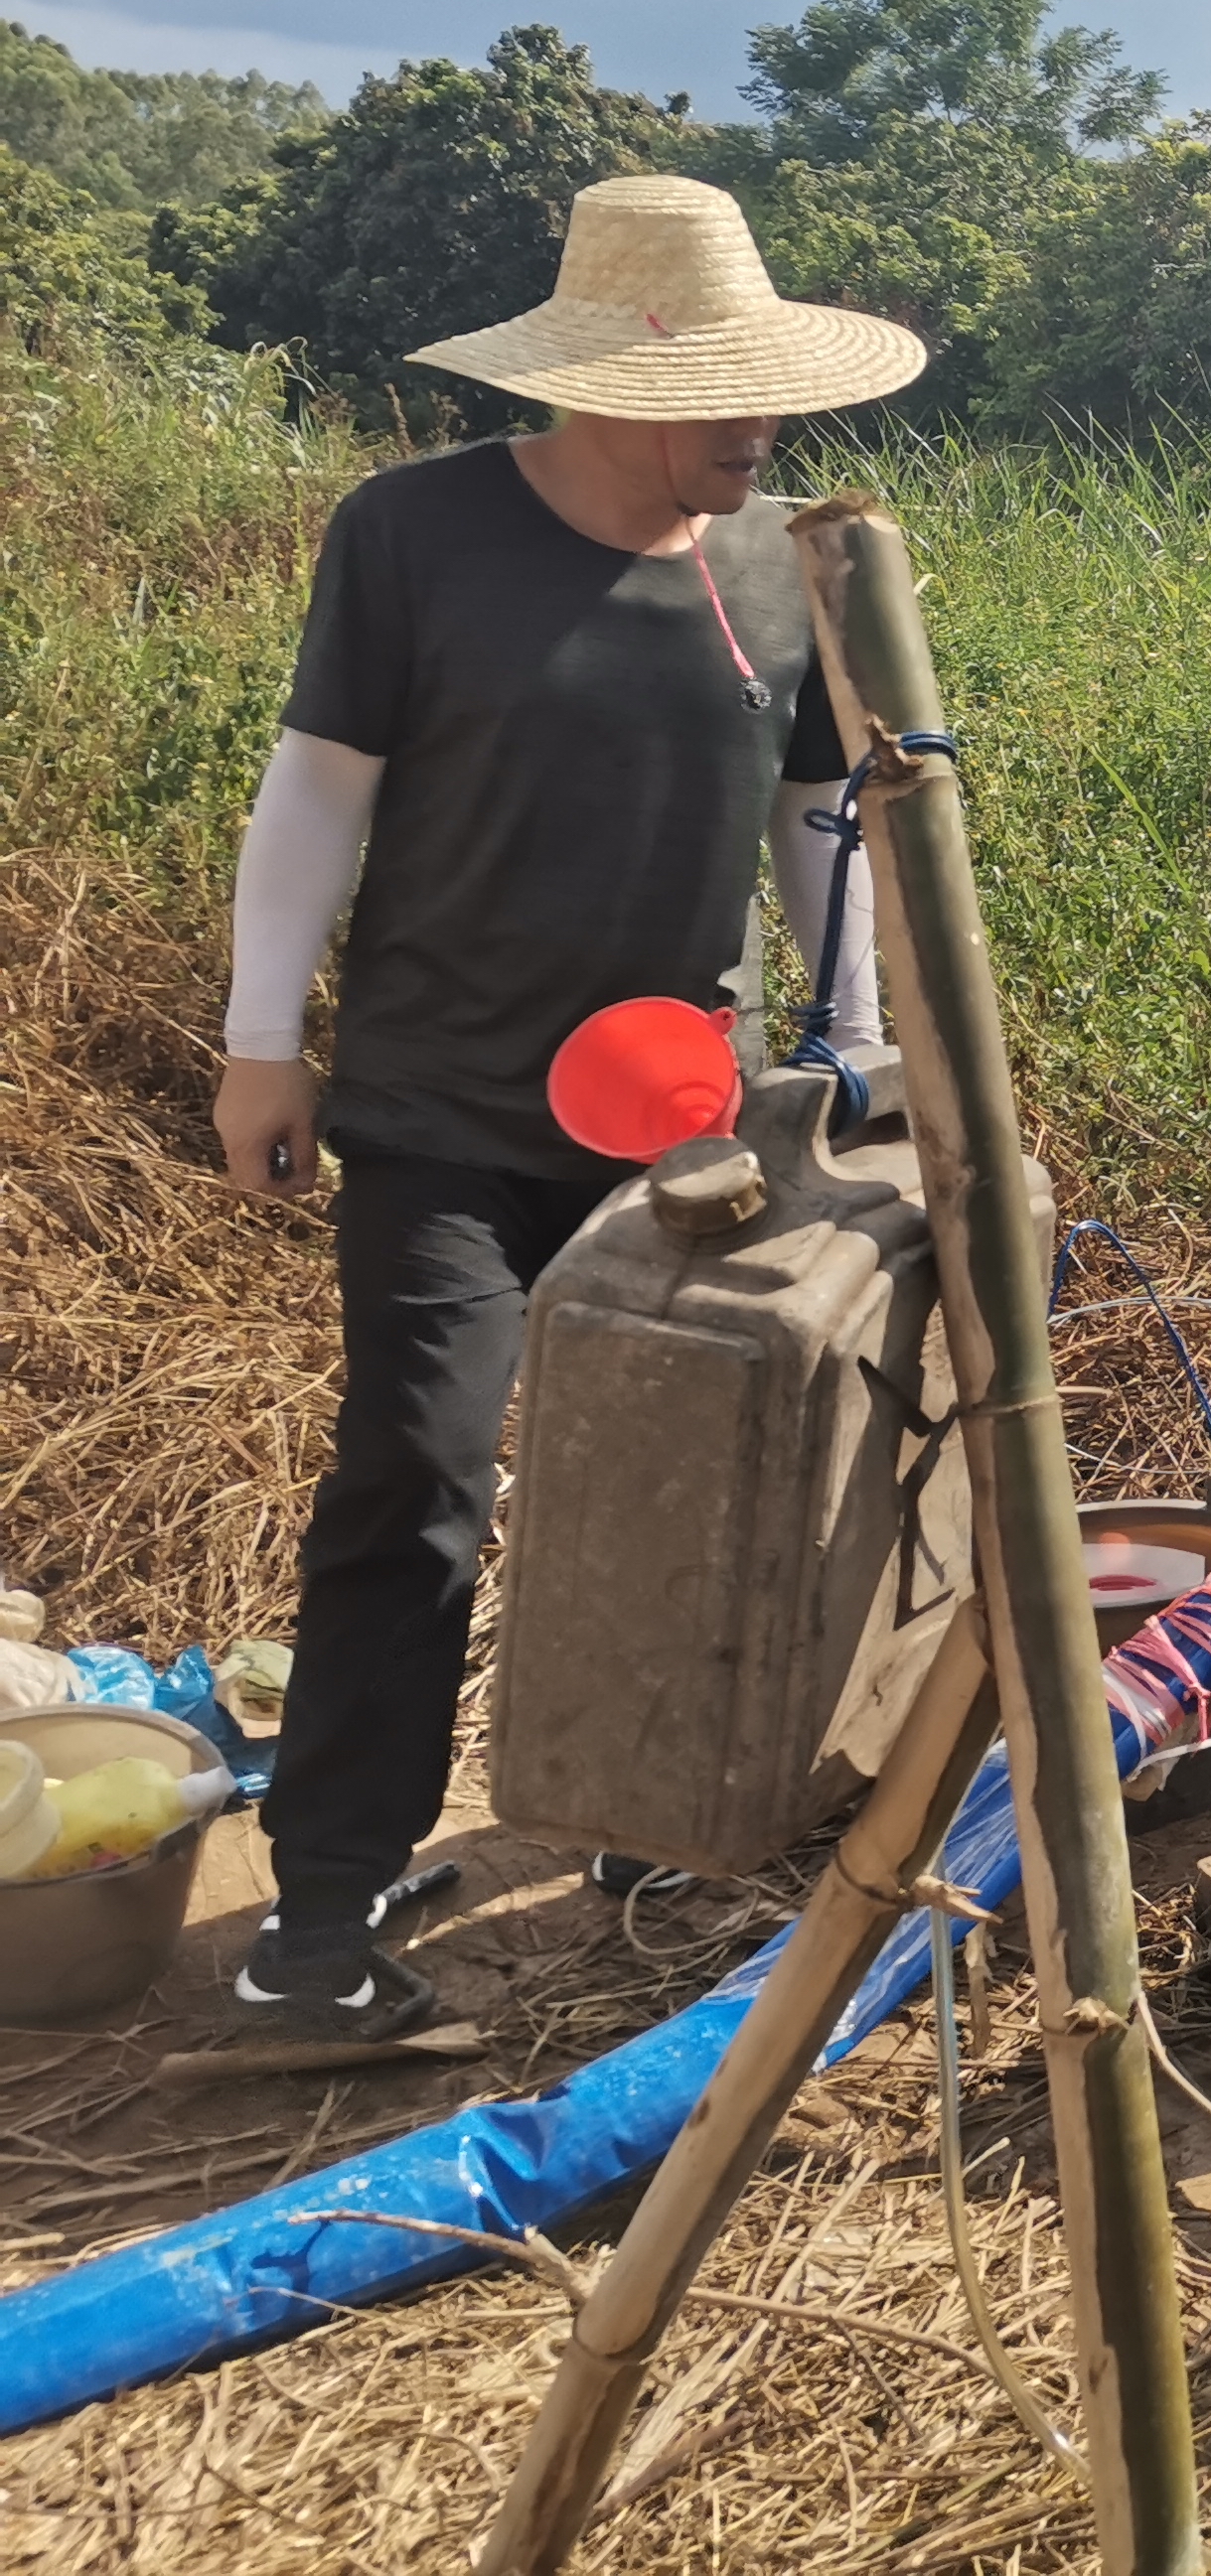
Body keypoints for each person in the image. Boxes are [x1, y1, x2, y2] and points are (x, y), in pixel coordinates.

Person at [214, 176, 916, 2040]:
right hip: (443, 1108)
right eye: (732, 396)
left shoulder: (779, 566)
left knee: (681, 1468)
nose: (764, 431)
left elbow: (816, 820)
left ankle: (638, 1806)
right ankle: (324, 1910)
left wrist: (853, 1037)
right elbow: (317, 792)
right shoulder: (417, 536)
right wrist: (259, 1038)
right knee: (421, 1477)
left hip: (679, 1129)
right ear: (611, 378)